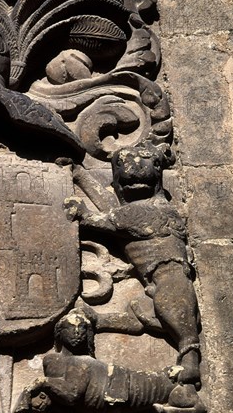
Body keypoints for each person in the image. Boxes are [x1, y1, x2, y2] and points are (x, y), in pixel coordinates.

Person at [65, 143, 202, 385]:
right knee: (141, 313)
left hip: (167, 275)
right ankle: (99, 320)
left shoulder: (146, 214)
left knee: (171, 308)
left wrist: (82, 211)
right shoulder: (135, 211)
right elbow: (112, 209)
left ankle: (189, 359)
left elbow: (102, 219)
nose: (134, 170)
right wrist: (79, 173)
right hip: (155, 281)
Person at [13, 309, 205, 413]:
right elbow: (67, 396)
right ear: (60, 333)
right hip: (108, 400)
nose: (77, 333)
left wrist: (40, 383)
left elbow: (72, 394)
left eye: (83, 328)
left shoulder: (81, 363)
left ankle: (181, 394)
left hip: (122, 392)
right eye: (71, 328)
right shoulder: (56, 361)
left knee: (159, 386)